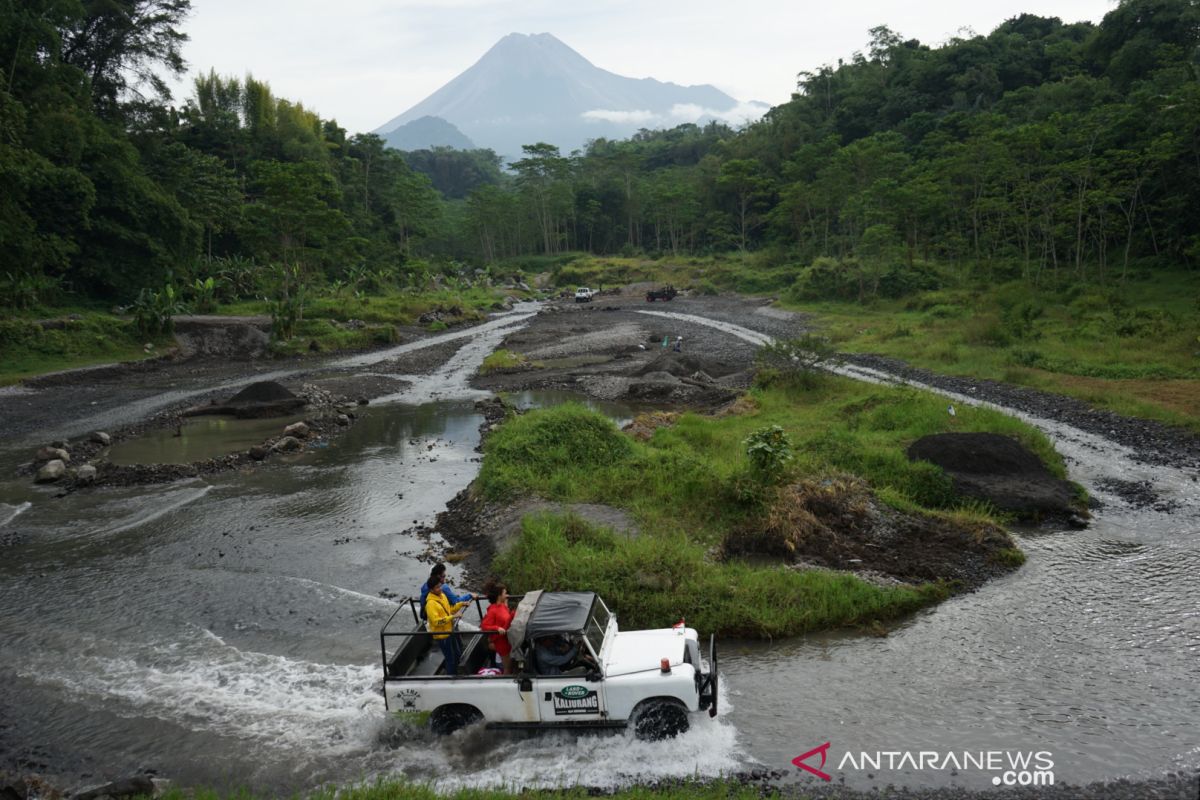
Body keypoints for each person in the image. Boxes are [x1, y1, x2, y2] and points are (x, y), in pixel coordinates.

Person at [425, 575, 469, 675]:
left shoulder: (443, 596)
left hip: (450, 631)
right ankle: (451, 678)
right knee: (450, 659)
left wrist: (461, 604)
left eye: (440, 586)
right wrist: (453, 617)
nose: (440, 589)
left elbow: (449, 610)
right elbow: (436, 622)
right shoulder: (431, 604)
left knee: (458, 654)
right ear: (431, 589)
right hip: (442, 636)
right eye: (437, 587)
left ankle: (458, 674)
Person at [479, 579, 515, 674]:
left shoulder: (502, 606)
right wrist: (497, 628)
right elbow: (484, 625)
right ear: (499, 596)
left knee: (511, 664)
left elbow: (506, 614)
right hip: (501, 642)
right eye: (505, 593)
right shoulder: (493, 610)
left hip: (507, 638)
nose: (506, 595)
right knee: (508, 667)